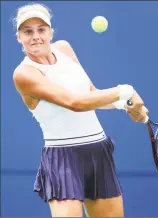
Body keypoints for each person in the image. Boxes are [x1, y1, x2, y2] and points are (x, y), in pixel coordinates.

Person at [12, 3, 149, 217]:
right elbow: (75, 103)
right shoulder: (23, 74)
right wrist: (126, 91)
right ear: (19, 37)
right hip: (62, 158)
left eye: (41, 29)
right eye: (27, 32)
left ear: (50, 32)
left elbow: (91, 94)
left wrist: (126, 105)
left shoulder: (64, 48)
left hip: (98, 150)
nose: (35, 36)